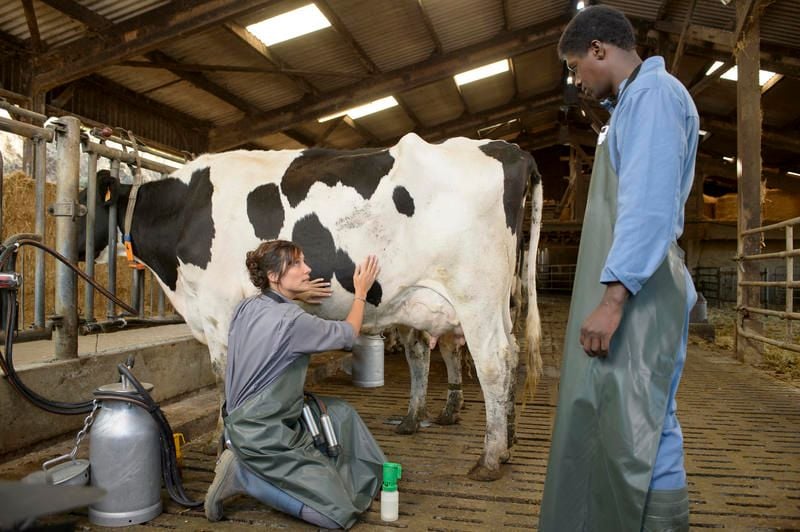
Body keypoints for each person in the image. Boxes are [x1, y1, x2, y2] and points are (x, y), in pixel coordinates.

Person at [539, 5, 699, 532]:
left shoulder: (654, 96)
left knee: (645, 422)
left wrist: (612, 300)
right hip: (635, 288)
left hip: (641, 292)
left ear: (599, 51)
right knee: (628, 416)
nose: (576, 80)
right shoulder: (632, 105)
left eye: (574, 66)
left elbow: (649, 208)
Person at [204, 240, 385, 529]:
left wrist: (297, 296)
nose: (308, 269)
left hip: (242, 423)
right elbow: (349, 334)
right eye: (297, 264)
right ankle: (242, 476)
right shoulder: (294, 322)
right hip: (264, 435)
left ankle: (351, 474)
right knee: (337, 516)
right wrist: (360, 292)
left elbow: (276, 326)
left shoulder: (246, 307)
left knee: (340, 413)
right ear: (274, 276)